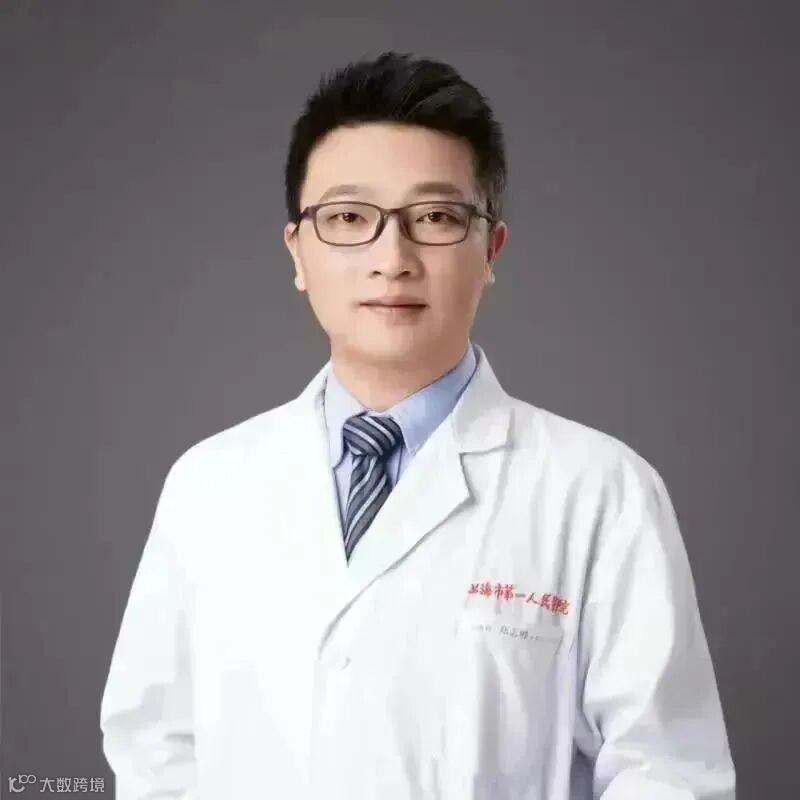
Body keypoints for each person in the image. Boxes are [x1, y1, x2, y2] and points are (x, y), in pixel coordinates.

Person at [99, 51, 736, 799]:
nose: (391, 258)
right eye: (348, 218)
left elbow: (667, 775)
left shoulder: (600, 491)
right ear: (298, 252)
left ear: (490, 249)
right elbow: (155, 753)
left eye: (435, 218)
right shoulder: (207, 484)